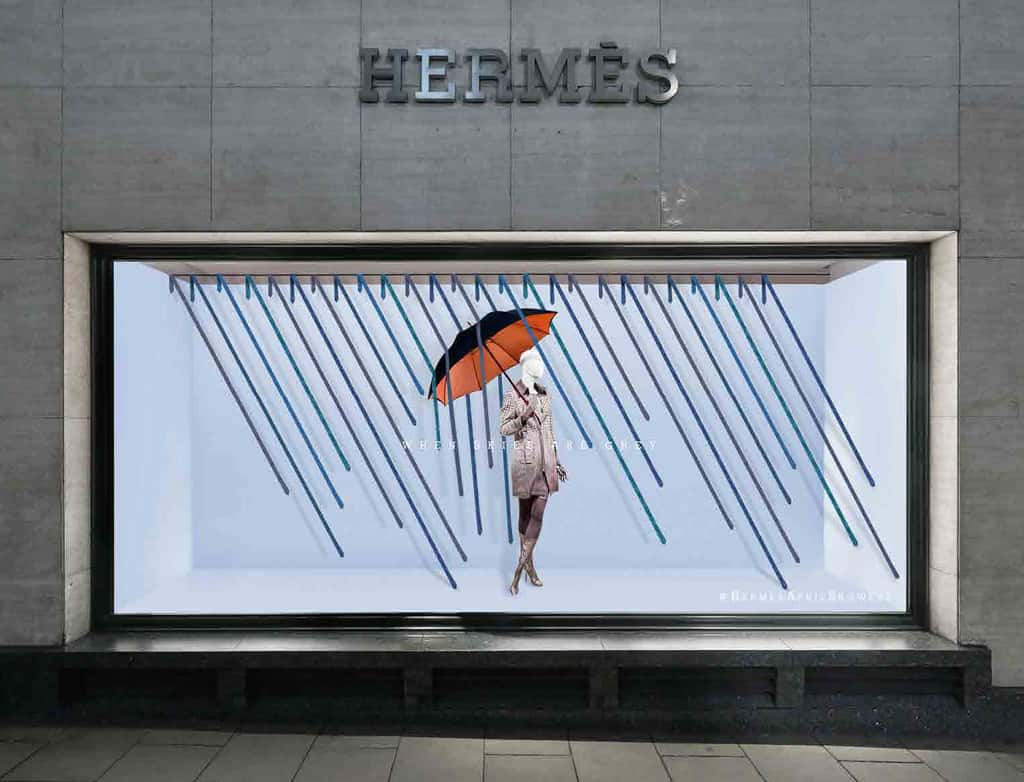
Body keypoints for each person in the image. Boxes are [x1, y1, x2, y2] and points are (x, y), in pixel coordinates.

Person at [499, 348, 567, 595]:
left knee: (537, 515)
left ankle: (518, 570)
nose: (541, 365)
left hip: (546, 462)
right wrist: (522, 418)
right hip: (524, 462)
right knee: (525, 515)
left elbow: (549, 431)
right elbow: (503, 428)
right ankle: (531, 566)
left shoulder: (545, 394)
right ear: (526, 364)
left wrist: (557, 460)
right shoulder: (512, 395)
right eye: (537, 361)